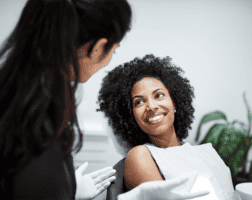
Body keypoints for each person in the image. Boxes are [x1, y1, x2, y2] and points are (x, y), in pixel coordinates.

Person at [0, 0, 209, 199]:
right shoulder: (37, 124)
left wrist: (68, 189)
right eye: (114, 51)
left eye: (159, 95)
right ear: (97, 48)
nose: (152, 106)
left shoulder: (15, 98)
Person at [96, 54, 243, 200]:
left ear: (174, 103)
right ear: (130, 116)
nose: (152, 107)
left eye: (159, 95)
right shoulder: (140, 155)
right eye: (139, 102)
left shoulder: (207, 152)